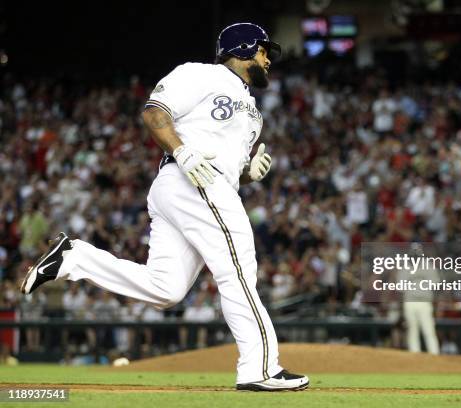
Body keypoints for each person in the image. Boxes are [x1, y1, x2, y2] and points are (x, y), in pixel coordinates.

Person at [20, 22, 309, 391]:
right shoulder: (201, 74)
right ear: (243, 48)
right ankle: (260, 368)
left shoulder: (254, 113)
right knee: (237, 269)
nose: (268, 59)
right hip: (192, 181)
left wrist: (249, 173)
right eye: (264, 50)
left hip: (205, 184)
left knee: (166, 289)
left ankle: (75, 258)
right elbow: (155, 113)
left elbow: (231, 169)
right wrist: (182, 151)